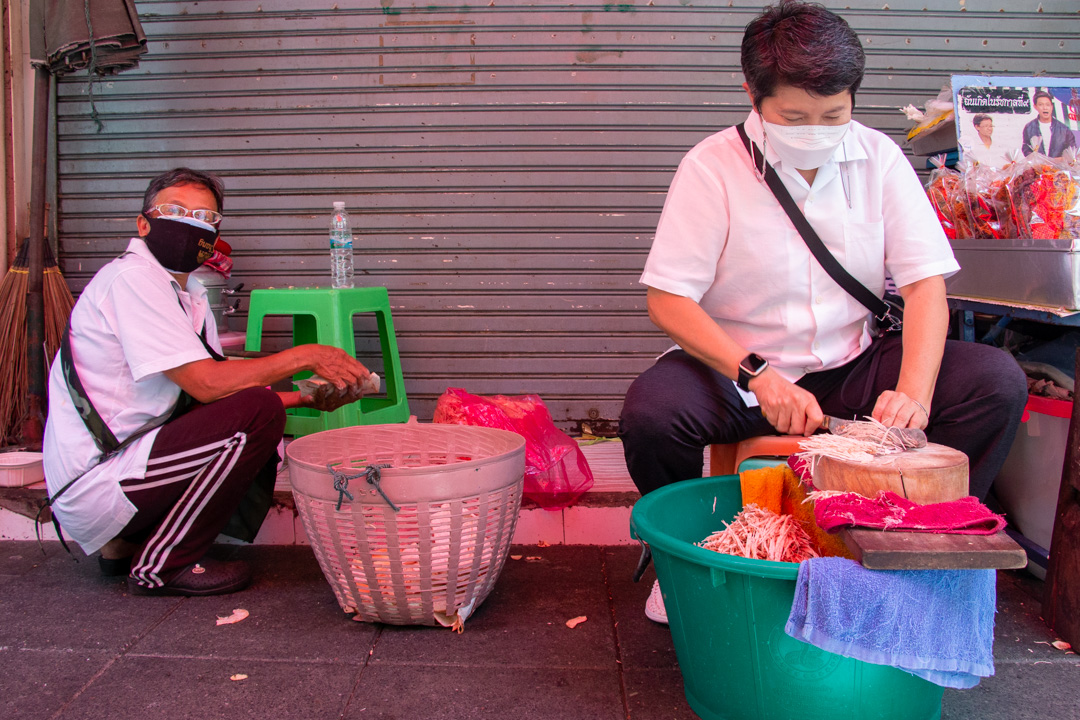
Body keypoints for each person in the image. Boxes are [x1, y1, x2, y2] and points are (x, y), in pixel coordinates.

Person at [619, 1, 1027, 624]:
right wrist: (758, 375)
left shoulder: (879, 158)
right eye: (794, 116)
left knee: (995, 381)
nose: (816, 129)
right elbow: (667, 299)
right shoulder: (712, 167)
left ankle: (915, 545)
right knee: (652, 415)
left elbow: (924, 288)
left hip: (852, 362)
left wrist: (913, 395)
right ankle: (689, 558)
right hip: (739, 373)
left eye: (834, 115)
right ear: (753, 94)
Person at [43, 168, 373, 597]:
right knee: (257, 412)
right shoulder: (131, 279)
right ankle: (166, 563)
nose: (188, 224)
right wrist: (305, 355)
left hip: (127, 465)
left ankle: (125, 544)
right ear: (143, 224)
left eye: (203, 217)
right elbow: (206, 385)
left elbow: (214, 398)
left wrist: (306, 397)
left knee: (256, 408)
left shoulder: (189, 293)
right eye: (174, 211)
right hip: (96, 481)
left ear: (213, 235)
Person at [1021, 90, 1077, 158]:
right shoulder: (1029, 128)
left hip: (1058, 164)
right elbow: (1026, 148)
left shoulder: (1064, 129)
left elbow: (1072, 151)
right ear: (1035, 107)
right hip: (1038, 164)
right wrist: (1035, 158)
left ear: (1052, 106)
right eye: (1041, 105)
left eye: (1047, 105)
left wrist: (1059, 160)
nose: (1045, 108)